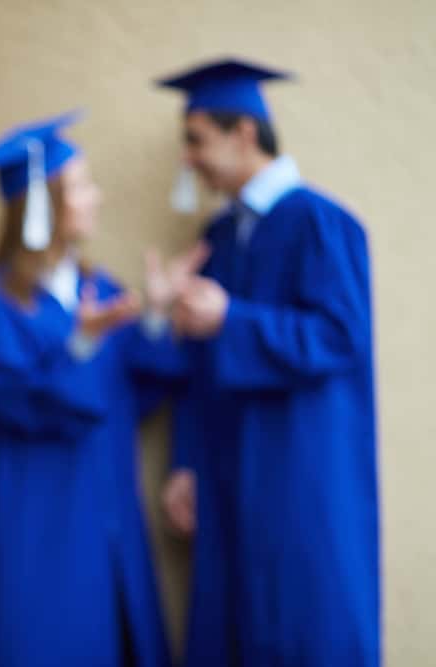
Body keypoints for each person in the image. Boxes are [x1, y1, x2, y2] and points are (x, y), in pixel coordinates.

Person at [139, 58, 379, 666]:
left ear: (243, 133)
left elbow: (339, 336)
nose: (187, 158)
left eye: (195, 140)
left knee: (307, 623)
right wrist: (186, 462)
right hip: (226, 469)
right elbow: (198, 365)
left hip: (303, 469)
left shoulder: (322, 222)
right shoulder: (221, 236)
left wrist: (232, 320)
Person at [0, 112, 171, 667]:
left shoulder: (100, 288)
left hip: (106, 505)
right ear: (44, 203)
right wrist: (78, 344)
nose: (96, 198)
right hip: (38, 515)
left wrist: (159, 317)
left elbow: (138, 390)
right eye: (81, 187)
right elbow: (23, 404)